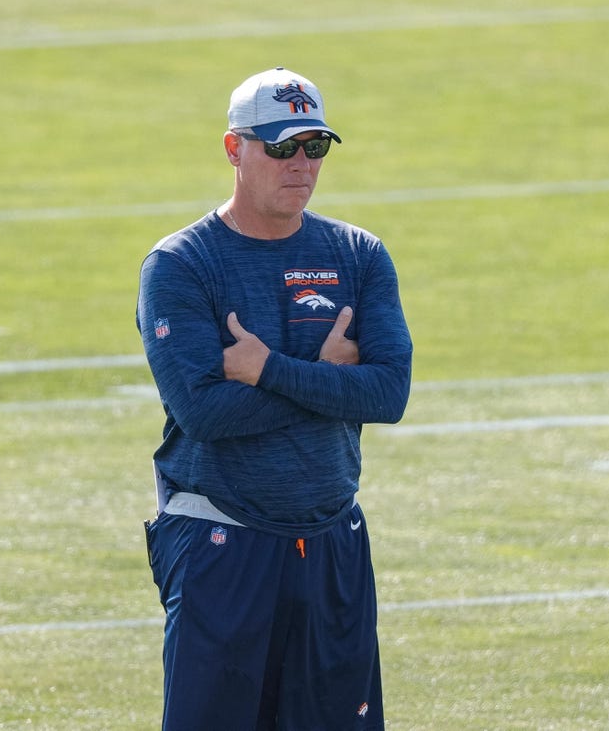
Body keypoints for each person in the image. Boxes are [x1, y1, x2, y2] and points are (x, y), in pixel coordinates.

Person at [136, 66, 412, 730]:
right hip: (220, 542)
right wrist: (328, 381)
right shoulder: (179, 266)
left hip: (333, 541)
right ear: (235, 149)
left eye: (314, 147)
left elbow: (388, 391)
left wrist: (269, 371)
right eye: (282, 147)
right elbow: (203, 413)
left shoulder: (358, 254)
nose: (302, 165)